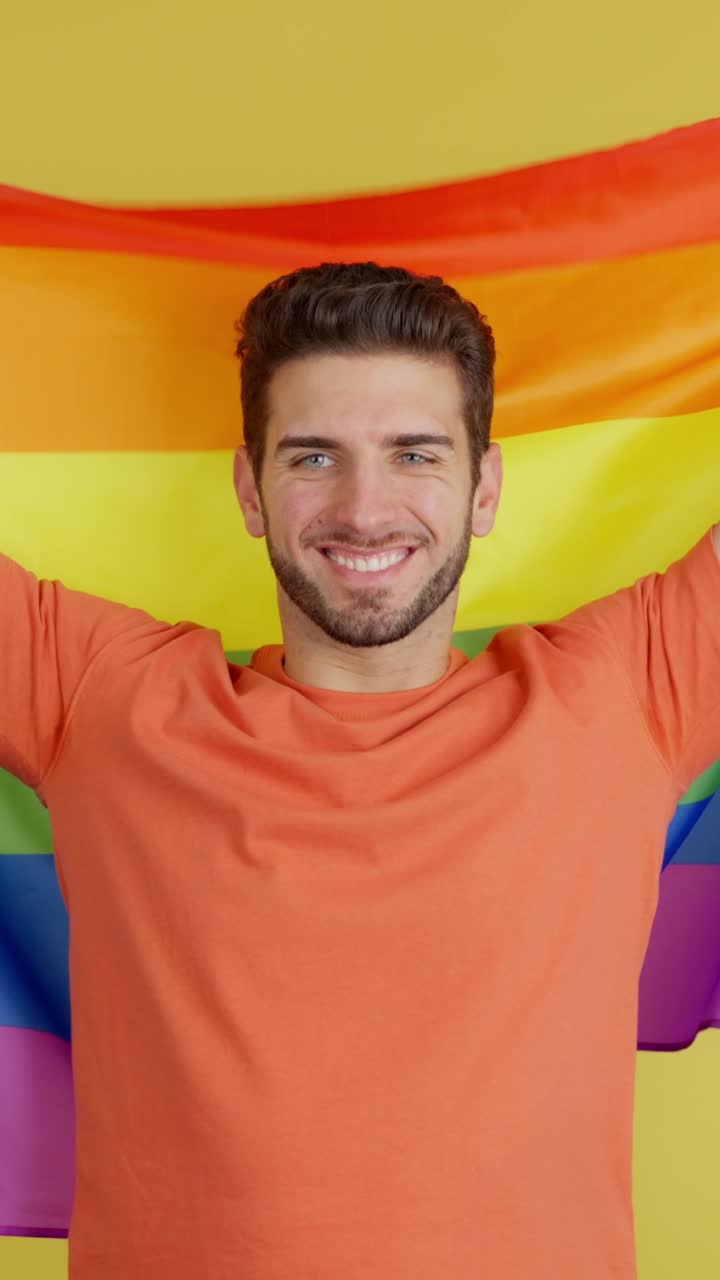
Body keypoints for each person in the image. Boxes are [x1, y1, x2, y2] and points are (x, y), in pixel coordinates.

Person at [1, 261, 718, 1279]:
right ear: (250, 490)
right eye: (313, 457)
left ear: (488, 486)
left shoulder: (627, 691)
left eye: (415, 452)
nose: (364, 506)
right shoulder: (103, 698)